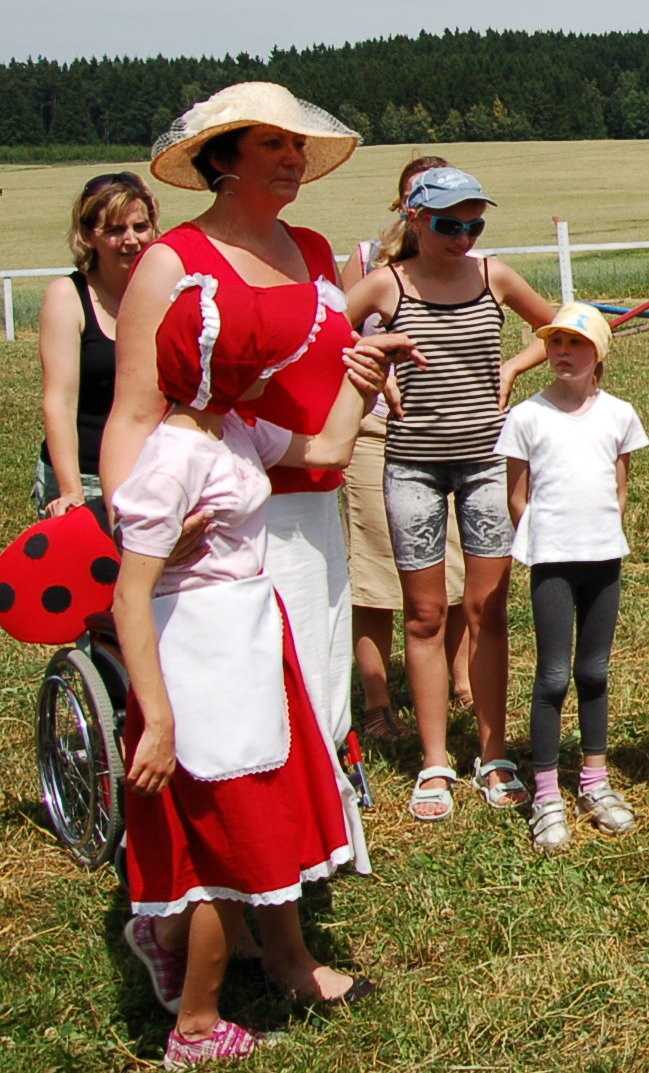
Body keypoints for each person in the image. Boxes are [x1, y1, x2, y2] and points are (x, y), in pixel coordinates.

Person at [109, 259, 404, 1062]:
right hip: (198, 653)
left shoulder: (232, 427)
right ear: (206, 365)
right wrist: (158, 718)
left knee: (259, 812)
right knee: (221, 836)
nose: (258, 370)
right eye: (245, 360)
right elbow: (128, 597)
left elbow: (330, 444)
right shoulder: (169, 458)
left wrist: (363, 370)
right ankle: (196, 1025)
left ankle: (256, 955)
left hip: (246, 639)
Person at [103, 81, 372, 873]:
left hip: (317, 508)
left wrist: (367, 372)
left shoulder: (315, 250)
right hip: (220, 528)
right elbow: (131, 412)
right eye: (271, 146)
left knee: (317, 686)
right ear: (223, 161)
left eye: (297, 145)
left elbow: (324, 400)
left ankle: (301, 863)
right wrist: (135, 528)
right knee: (246, 706)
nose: (293, 159)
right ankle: (238, 873)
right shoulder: (172, 262)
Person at [342, 165, 554, 821]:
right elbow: (322, 338)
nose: (462, 237)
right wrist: (371, 362)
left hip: (487, 465)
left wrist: (515, 364)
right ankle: (435, 761)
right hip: (410, 467)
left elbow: (561, 327)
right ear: (413, 218)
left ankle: (494, 754)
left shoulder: (495, 277)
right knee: (426, 615)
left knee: (488, 611)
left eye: (474, 224)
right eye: (447, 224)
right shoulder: (386, 283)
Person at [496, 302, 648, 852]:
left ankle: (593, 781)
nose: (562, 353)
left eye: (575, 344)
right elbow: (518, 495)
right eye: (555, 342)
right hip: (553, 561)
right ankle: (545, 793)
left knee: (594, 670)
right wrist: (544, 542)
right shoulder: (527, 417)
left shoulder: (619, 414)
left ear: (598, 353)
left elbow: (620, 489)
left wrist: (600, 537)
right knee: (553, 675)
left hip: (603, 558)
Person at [338, 154, 470, 740]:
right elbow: (335, 338)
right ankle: (376, 701)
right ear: (405, 207)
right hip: (375, 433)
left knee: (457, 571)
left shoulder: (468, 261)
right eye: (422, 198)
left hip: (451, 435)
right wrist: (374, 367)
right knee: (375, 571)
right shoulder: (366, 261)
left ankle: (460, 682)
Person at [38, 171, 158, 529]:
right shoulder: (67, 297)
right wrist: (70, 489)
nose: (131, 240)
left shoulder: (168, 292)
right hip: (86, 477)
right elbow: (59, 402)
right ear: (89, 236)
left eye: (140, 226)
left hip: (152, 473)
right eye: (115, 230)